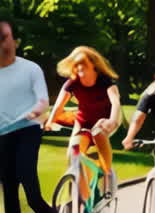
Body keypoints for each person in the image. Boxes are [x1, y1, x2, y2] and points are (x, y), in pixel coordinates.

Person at [0, 17, 58, 213]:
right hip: (2, 135)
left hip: (27, 131)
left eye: (4, 37)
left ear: (15, 41)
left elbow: (43, 100)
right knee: (9, 192)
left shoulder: (30, 68)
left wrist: (33, 113)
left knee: (29, 187)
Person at [46, 46, 122, 203]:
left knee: (98, 133)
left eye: (83, 64)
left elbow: (115, 102)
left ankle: (106, 173)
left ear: (93, 65)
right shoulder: (72, 83)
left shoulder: (105, 81)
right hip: (83, 121)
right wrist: (50, 122)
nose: (80, 68)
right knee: (73, 154)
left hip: (105, 120)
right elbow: (59, 105)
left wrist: (112, 120)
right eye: (77, 64)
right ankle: (86, 199)